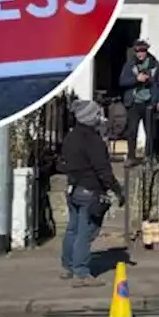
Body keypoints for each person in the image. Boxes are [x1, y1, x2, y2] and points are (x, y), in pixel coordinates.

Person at [59, 99, 125, 287]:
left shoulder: (70, 137)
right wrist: (117, 190)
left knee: (72, 229)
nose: (100, 117)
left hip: (73, 188)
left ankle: (68, 265)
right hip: (90, 190)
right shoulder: (93, 140)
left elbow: (64, 163)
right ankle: (81, 272)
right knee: (85, 232)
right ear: (90, 117)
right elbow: (103, 169)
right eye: (97, 114)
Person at [118, 39, 159, 163]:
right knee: (132, 131)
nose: (140, 54)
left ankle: (149, 156)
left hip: (149, 102)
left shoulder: (154, 64)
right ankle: (131, 156)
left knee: (150, 132)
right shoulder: (129, 65)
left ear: (146, 52)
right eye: (138, 52)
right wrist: (136, 79)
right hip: (134, 102)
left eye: (142, 51)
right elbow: (122, 82)